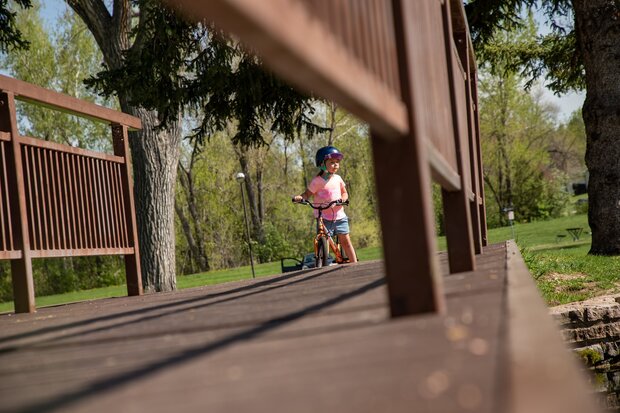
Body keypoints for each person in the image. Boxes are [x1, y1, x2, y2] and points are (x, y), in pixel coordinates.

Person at [293, 146, 358, 263]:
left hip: (339, 216)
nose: (336, 165)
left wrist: (343, 199)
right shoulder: (316, 181)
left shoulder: (338, 178)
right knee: (324, 240)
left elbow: (344, 192)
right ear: (322, 164)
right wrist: (300, 198)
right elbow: (307, 194)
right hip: (323, 217)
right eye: (332, 162)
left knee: (346, 242)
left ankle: (355, 264)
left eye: (337, 162)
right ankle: (322, 261)